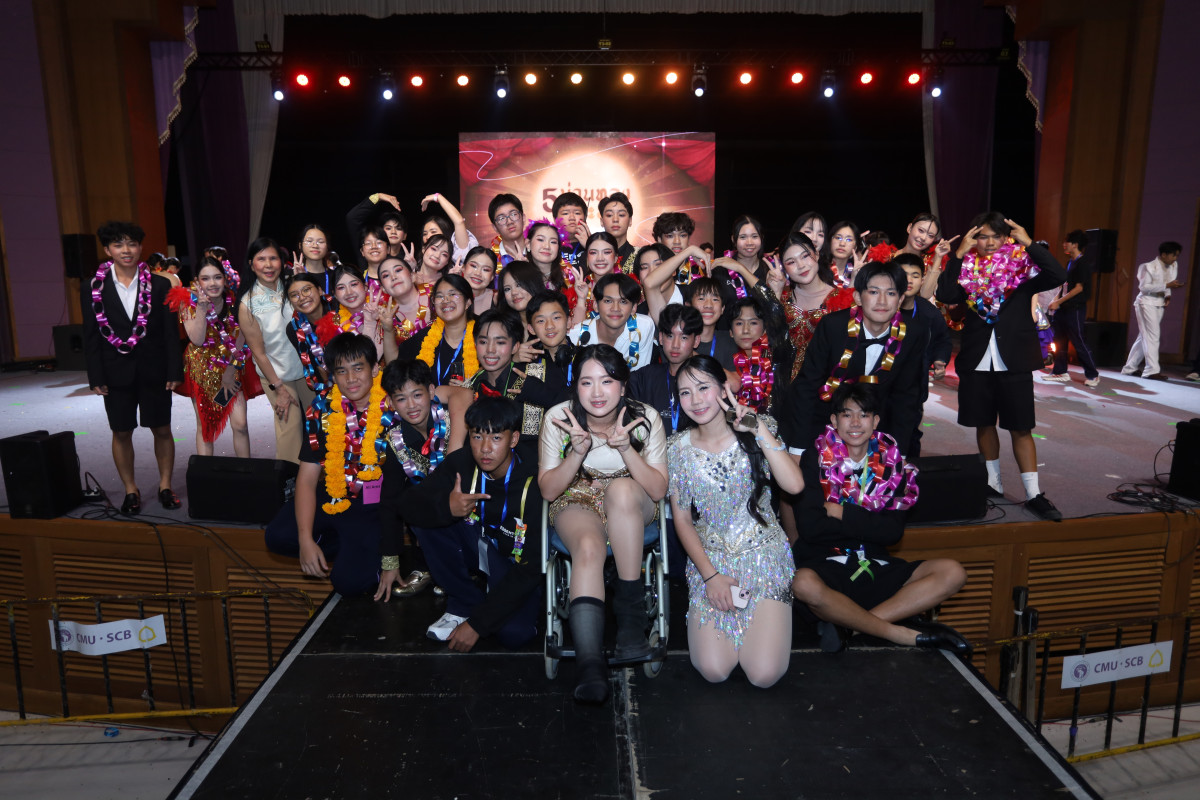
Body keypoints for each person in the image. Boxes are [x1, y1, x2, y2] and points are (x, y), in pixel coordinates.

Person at [790, 383, 971, 655]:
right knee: (802, 583)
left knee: (952, 572)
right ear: (834, 421)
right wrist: (869, 523)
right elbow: (810, 528)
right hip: (827, 564)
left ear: (875, 421)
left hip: (874, 564)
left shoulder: (892, 463)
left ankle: (852, 627)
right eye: (847, 414)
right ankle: (894, 632)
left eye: (863, 415)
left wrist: (841, 512)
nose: (855, 423)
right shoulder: (813, 459)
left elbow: (892, 533)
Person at [539, 345, 668, 703]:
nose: (597, 392)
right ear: (576, 386)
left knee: (621, 491)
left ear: (623, 386)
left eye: (607, 381)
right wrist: (577, 452)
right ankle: (590, 665)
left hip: (632, 500)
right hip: (577, 495)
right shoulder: (559, 418)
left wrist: (627, 449)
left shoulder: (645, 418)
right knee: (588, 547)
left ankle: (630, 618)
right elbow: (548, 489)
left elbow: (658, 489)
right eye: (587, 382)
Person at [670, 356, 802, 687]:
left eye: (703, 387)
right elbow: (682, 520)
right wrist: (710, 576)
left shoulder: (761, 426)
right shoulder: (677, 449)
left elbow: (794, 486)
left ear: (723, 388)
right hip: (711, 562)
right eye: (685, 392)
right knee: (714, 670)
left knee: (764, 675)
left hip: (765, 558)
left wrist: (756, 429)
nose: (696, 400)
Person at [936, 213, 1067, 520]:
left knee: (1021, 427)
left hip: (1015, 358)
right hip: (977, 358)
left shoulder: (1021, 268)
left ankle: (1034, 494)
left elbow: (1058, 274)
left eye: (997, 236)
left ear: (1007, 238)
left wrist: (1029, 243)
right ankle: (992, 484)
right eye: (983, 236)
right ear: (974, 239)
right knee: (983, 423)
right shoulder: (967, 268)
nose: (990, 242)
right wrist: (957, 255)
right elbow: (945, 294)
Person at [400, 397, 545, 650]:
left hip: (515, 566)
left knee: (514, 635)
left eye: (496, 438)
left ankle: (488, 602)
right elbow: (408, 504)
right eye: (477, 436)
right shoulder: (462, 463)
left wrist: (478, 624)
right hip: (479, 548)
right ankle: (464, 601)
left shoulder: (536, 480)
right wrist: (447, 508)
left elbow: (532, 567)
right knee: (426, 516)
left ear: (513, 439)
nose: (485, 448)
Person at [265, 333, 400, 596]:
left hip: (375, 506)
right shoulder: (322, 409)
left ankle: (361, 552)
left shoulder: (394, 404)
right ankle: (349, 548)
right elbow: (306, 479)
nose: (351, 378)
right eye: (341, 371)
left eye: (358, 368)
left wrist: (390, 555)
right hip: (334, 493)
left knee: (350, 584)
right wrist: (305, 540)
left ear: (374, 369)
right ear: (333, 376)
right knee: (278, 536)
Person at [82, 221, 183, 514]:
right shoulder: (93, 287)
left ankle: (165, 486)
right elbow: (91, 335)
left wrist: (174, 370)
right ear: (107, 250)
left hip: (155, 370)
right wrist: (96, 375)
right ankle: (130, 490)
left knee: (162, 429)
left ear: (140, 247)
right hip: (115, 372)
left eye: (132, 244)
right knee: (121, 432)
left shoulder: (160, 284)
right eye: (118, 244)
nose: (126, 250)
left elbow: (170, 333)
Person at [785, 260, 927, 458]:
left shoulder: (913, 334)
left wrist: (898, 454)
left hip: (879, 430)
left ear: (901, 299)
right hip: (824, 423)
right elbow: (807, 385)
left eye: (891, 293)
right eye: (874, 292)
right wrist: (798, 448)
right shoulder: (833, 327)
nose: (882, 301)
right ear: (858, 297)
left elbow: (906, 397)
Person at [375, 358, 464, 601]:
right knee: (409, 500)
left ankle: (463, 569)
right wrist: (390, 562)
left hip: (468, 507)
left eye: (417, 395)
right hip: (430, 518)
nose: (411, 405)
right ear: (391, 402)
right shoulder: (394, 441)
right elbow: (390, 501)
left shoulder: (454, 420)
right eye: (401, 399)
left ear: (431, 391)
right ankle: (427, 567)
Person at [238, 237, 317, 464]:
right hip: (277, 376)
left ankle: (322, 476)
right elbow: (259, 353)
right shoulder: (247, 304)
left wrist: (304, 282)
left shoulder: (293, 287)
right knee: (290, 430)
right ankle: (290, 479)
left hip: (307, 369)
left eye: (273, 258)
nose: (268, 265)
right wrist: (279, 388)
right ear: (251, 264)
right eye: (261, 259)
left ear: (281, 262)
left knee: (319, 422)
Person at [170, 256, 253, 458]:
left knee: (240, 424)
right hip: (201, 370)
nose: (212, 283)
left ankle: (246, 470)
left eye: (217, 277)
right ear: (197, 281)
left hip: (231, 365)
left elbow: (242, 339)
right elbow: (197, 340)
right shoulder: (187, 303)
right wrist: (201, 307)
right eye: (205, 279)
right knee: (205, 429)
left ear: (225, 278)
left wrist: (230, 371)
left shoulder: (236, 300)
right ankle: (205, 473)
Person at [456, 308, 560, 460]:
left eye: (500, 342)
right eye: (483, 342)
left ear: (515, 347)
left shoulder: (538, 375)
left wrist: (540, 393)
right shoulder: (469, 388)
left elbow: (572, 406)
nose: (490, 350)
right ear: (475, 344)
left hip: (533, 469)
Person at [895, 254, 951, 458]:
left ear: (922, 279)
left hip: (913, 386)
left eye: (915, 275)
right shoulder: (879, 307)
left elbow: (942, 340)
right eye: (903, 274)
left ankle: (908, 474)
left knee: (909, 436)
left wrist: (939, 360)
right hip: (879, 385)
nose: (909, 280)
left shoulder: (928, 312)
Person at [629, 304, 704, 436]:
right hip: (652, 448)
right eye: (670, 336)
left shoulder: (706, 381)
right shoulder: (645, 377)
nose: (675, 345)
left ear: (696, 341)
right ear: (661, 338)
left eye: (684, 337)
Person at [1044, 229, 1101, 387]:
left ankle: (1093, 374)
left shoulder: (1083, 263)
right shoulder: (1070, 262)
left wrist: (1059, 301)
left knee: (1078, 341)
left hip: (1075, 308)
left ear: (1075, 244)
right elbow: (1065, 285)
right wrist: (1055, 300)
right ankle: (1060, 371)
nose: (1064, 244)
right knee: (1060, 340)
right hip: (1064, 309)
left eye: (1067, 242)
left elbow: (1078, 288)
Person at [398, 274, 478, 386]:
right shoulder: (423, 338)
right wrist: (388, 330)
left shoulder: (482, 335)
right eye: (440, 296)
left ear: (468, 303)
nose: (445, 300)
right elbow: (398, 369)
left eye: (452, 294)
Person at [567, 273, 656, 371]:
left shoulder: (643, 327)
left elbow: (640, 376)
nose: (615, 308)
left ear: (634, 308)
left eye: (623, 302)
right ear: (595, 305)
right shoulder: (575, 336)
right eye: (608, 301)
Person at [1122, 241, 1184, 380]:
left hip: (1159, 303)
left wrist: (1168, 294)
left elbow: (1170, 281)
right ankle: (1151, 370)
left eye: (1177, 256)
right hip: (1146, 302)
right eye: (1173, 255)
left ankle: (1129, 368)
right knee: (1153, 335)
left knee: (1144, 336)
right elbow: (1144, 287)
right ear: (1164, 254)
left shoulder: (1174, 265)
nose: (1175, 259)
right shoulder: (1147, 267)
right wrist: (1166, 286)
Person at [285, 273, 336, 396]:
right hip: (329, 390)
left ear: (319, 290)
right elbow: (314, 368)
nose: (302, 297)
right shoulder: (294, 328)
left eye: (306, 290)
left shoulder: (338, 310)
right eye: (294, 295)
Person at [378, 256, 431, 364]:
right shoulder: (384, 316)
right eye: (386, 275)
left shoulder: (436, 296)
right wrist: (388, 330)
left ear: (412, 276)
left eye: (398, 270)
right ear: (384, 289)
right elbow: (392, 364)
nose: (393, 277)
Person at [331, 266, 384, 361]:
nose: (349, 292)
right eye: (341, 288)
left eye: (354, 284)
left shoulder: (384, 311)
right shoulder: (335, 327)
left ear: (365, 286)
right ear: (335, 294)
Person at [687, 276, 738, 369]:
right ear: (688, 306)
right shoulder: (676, 339)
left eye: (715, 299)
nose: (708, 305)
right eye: (701, 298)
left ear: (722, 309)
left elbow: (735, 378)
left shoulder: (730, 341)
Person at [346, 192, 407, 266]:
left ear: (405, 235)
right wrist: (378, 196)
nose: (393, 232)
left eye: (398, 228)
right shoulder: (371, 254)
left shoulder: (409, 259)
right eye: (388, 228)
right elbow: (352, 219)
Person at [419, 191, 478, 264]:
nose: (428, 237)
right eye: (425, 234)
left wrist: (438, 197)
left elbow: (459, 221)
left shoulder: (455, 254)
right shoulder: (418, 263)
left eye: (433, 232)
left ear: (445, 233)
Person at [598, 192, 637, 273]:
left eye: (621, 215)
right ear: (602, 221)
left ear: (630, 221)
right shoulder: (593, 256)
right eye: (609, 215)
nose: (615, 219)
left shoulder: (639, 255)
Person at [488, 193, 527, 268]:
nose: (509, 222)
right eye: (501, 218)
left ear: (523, 218)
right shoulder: (490, 260)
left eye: (513, 214)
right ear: (495, 227)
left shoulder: (538, 253)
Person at [294, 224, 335, 294]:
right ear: (300, 245)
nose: (315, 246)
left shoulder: (336, 276)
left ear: (327, 246)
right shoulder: (292, 276)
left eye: (321, 242)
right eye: (309, 241)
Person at [457, 245, 497, 315]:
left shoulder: (498, 298)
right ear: (463, 267)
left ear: (492, 276)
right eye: (473, 266)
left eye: (486, 270)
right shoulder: (450, 296)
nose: (478, 273)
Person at [553, 191, 589, 268]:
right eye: (565, 213)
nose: (572, 218)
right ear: (555, 219)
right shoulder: (551, 245)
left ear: (585, 218)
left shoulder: (595, 244)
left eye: (577, 213)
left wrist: (590, 246)